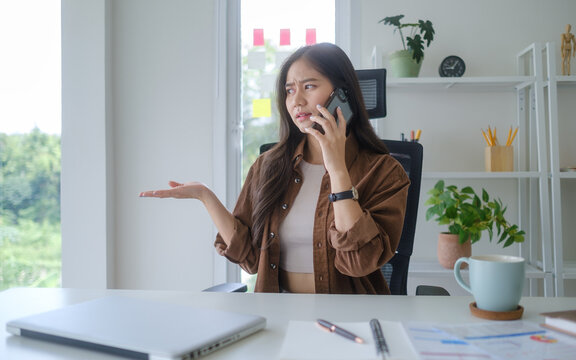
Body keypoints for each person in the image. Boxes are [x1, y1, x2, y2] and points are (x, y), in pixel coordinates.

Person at [140, 43, 410, 294]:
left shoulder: (384, 172)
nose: (297, 100)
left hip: (351, 322)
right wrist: (205, 196)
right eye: (290, 89)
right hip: (279, 316)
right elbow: (248, 257)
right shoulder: (269, 166)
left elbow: (360, 262)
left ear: (341, 94)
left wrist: (337, 169)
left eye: (309, 86)